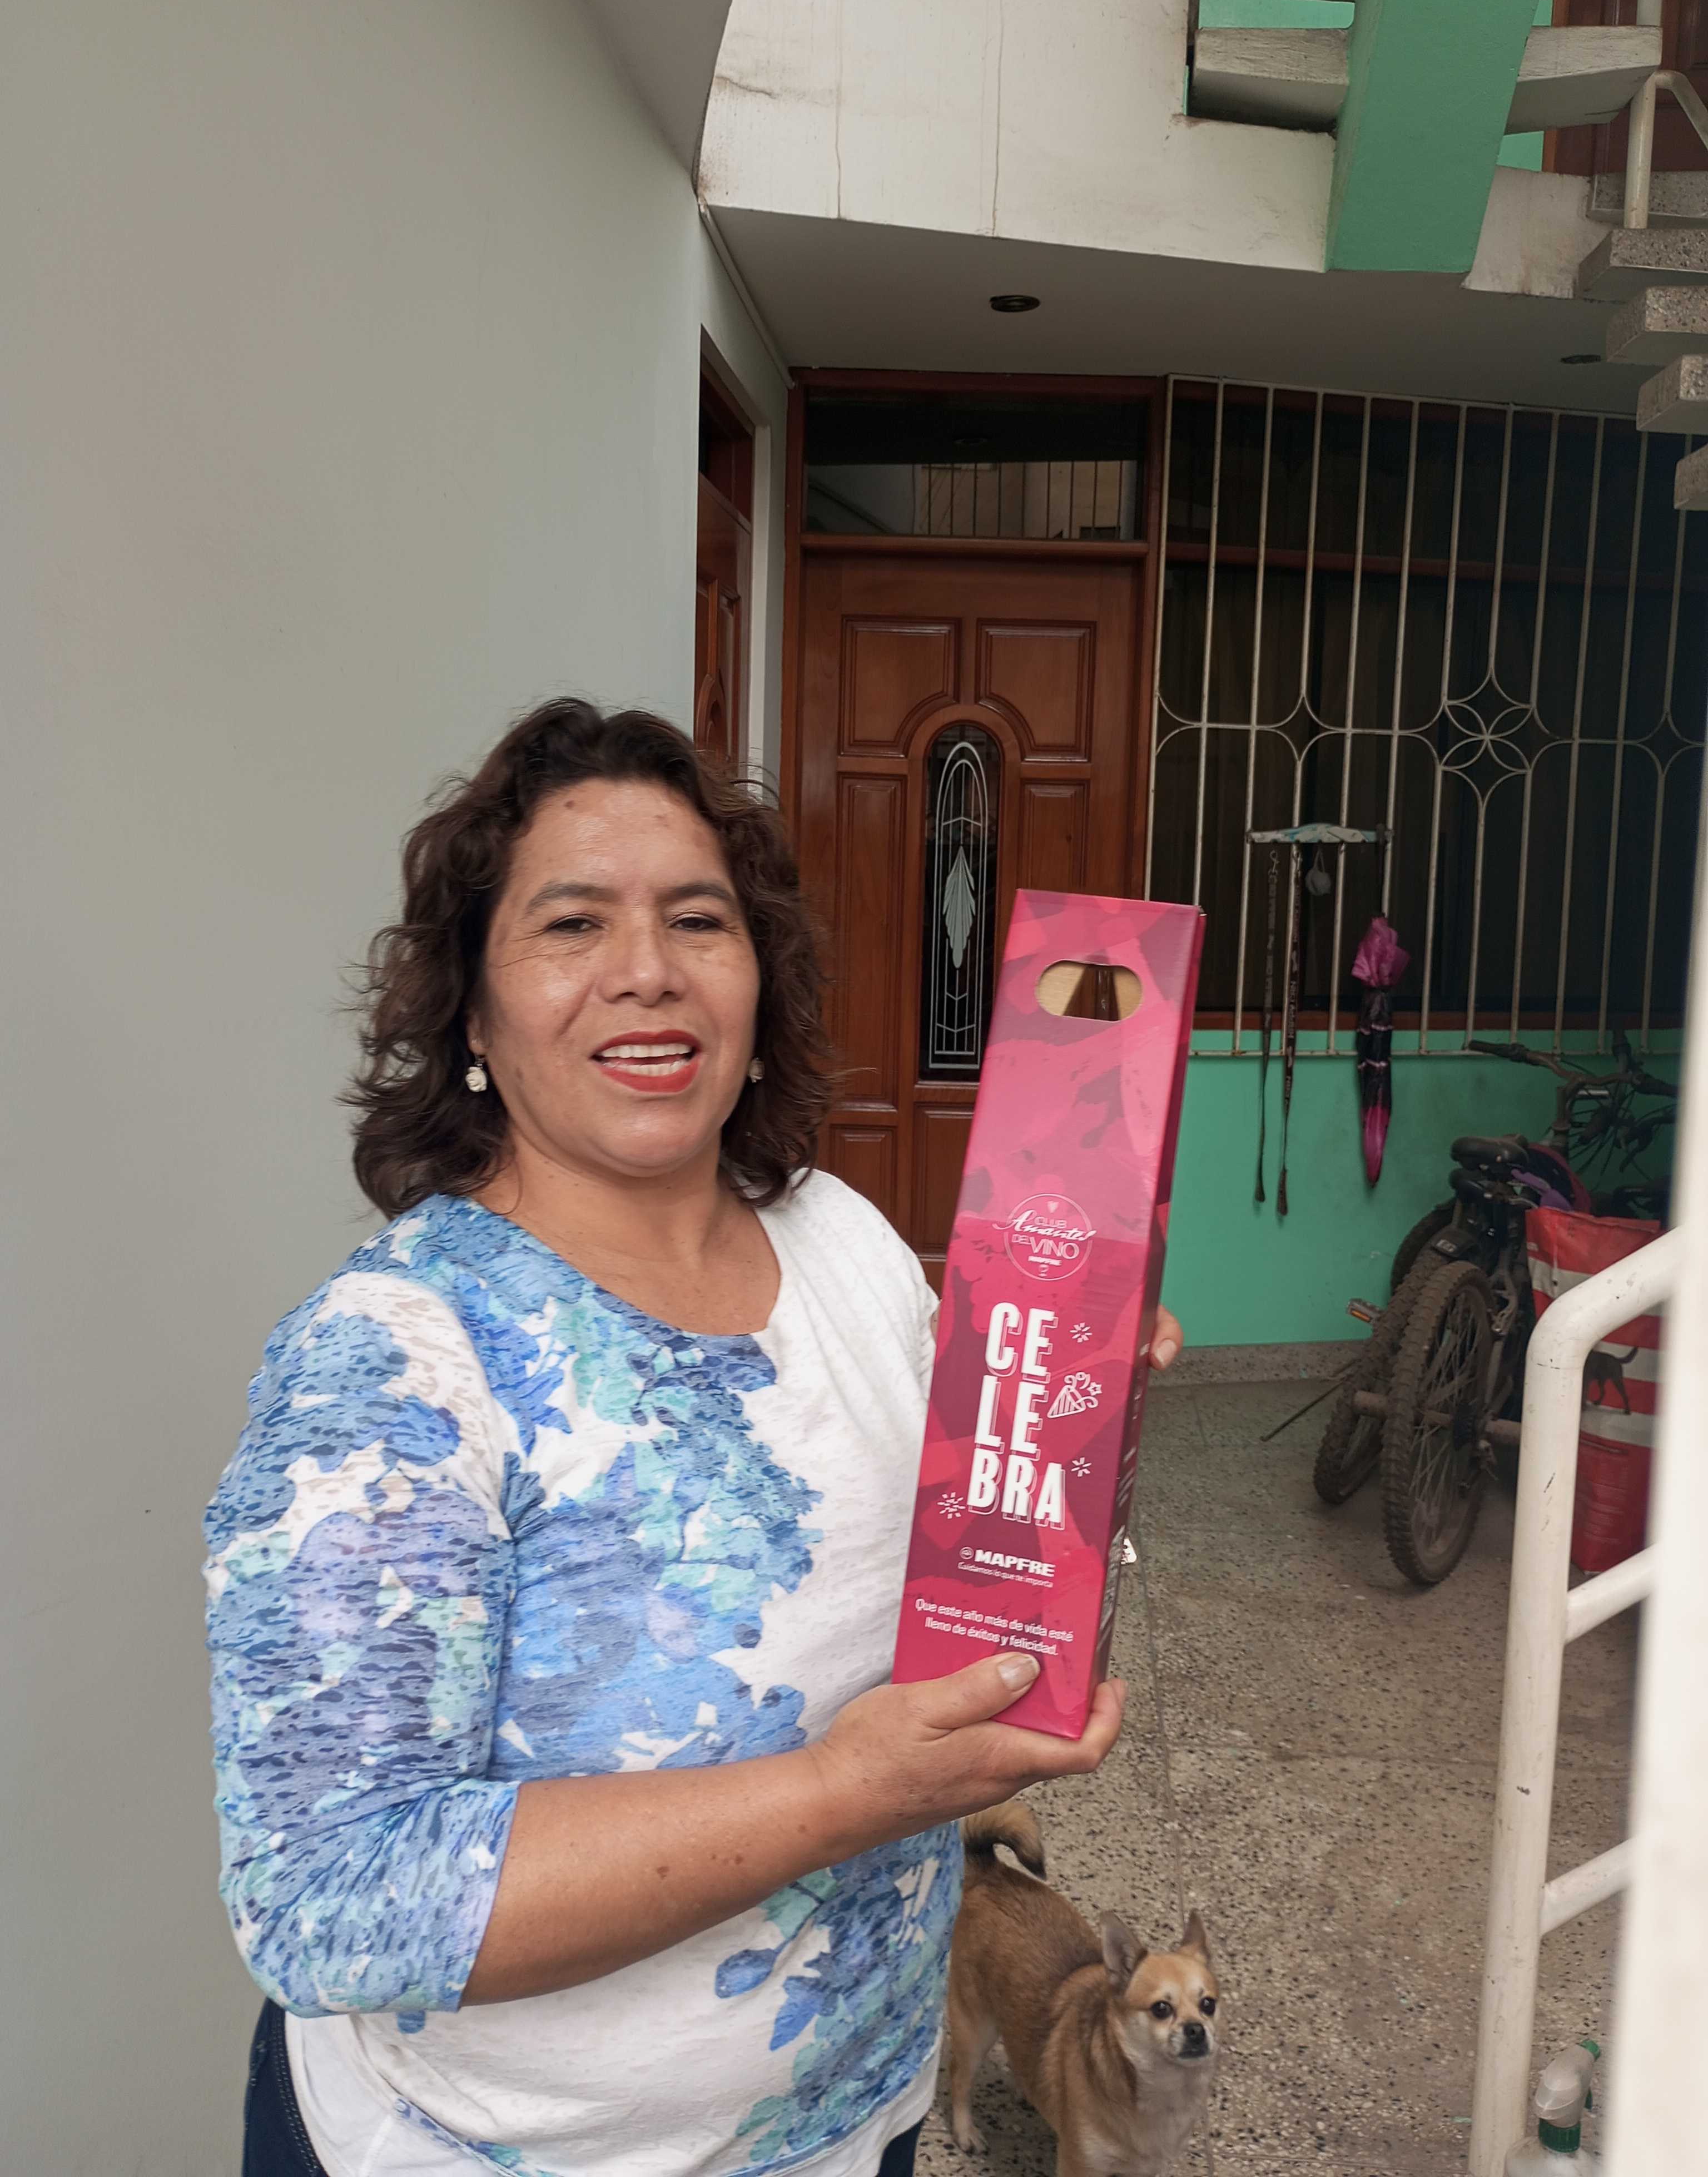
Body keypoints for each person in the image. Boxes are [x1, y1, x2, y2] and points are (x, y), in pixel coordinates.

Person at [205, 699, 1184, 2177]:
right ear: (472, 1015)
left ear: (756, 980)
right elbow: (328, 1899)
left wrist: (1071, 1403)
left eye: (697, 919)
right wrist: (843, 1797)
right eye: (571, 924)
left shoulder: (844, 1239)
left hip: (859, 2118)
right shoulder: (394, 1357)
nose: (647, 970)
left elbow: (954, 1545)